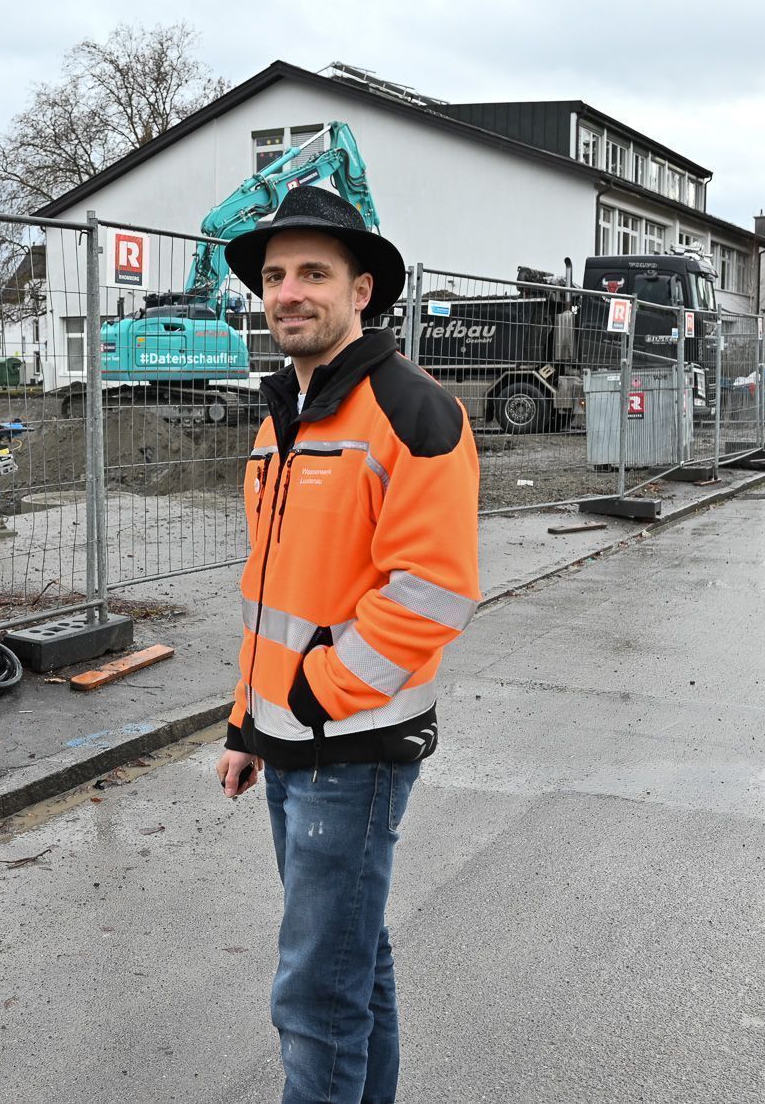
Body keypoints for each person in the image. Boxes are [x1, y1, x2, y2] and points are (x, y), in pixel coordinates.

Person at [214, 184, 480, 1104]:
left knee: (313, 993)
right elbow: (273, 587)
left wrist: (317, 695)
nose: (289, 291)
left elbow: (434, 593)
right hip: (289, 739)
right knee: (351, 965)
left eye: (313, 273)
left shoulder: (412, 410)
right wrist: (249, 723)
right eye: (276, 275)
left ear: (361, 290)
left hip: (351, 748)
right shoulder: (281, 417)